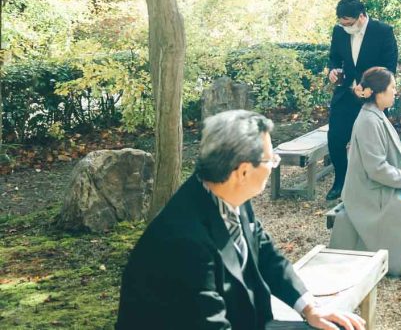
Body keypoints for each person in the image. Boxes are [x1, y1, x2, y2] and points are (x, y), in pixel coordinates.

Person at [116, 110, 364, 330]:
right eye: (271, 159)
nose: (274, 165)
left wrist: (310, 308)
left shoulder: (226, 190)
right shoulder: (184, 242)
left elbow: (265, 251)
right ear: (243, 171)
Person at [331, 67, 401, 278]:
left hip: (379, 182)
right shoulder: (368, 120)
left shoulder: (375, 114)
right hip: (370, 190)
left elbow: (385, 155)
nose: (395, 92)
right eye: (392, 88)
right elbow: (375, 168)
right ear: (378, 92)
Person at [325, 0, 399, 201]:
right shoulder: (339, 31)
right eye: (341, 22)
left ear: (361, 16)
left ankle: (375, 182)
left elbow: (389, 67)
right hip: (345, 94)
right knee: (335, 139)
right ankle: (341, 180)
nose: (344, 26)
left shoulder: (383, 31)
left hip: (371, 97)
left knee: (374, 143)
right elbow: (333, 57)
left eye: (348, 22)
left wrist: (368, 86)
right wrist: (332, 70)